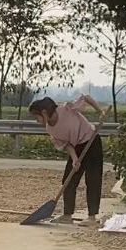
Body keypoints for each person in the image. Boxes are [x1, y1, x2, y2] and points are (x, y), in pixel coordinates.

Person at [29, 94, 107, 227]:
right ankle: (67, 215)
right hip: (77, 147)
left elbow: (86, 97)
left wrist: (100, 112)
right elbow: (66, 144)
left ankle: (92, 217)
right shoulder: (50, 128)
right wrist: (74, 158)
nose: (36, 121)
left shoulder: (66, 109)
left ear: (44, 112)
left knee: (92, 179)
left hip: (91, 141)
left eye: (36, 117)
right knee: (68, 180)